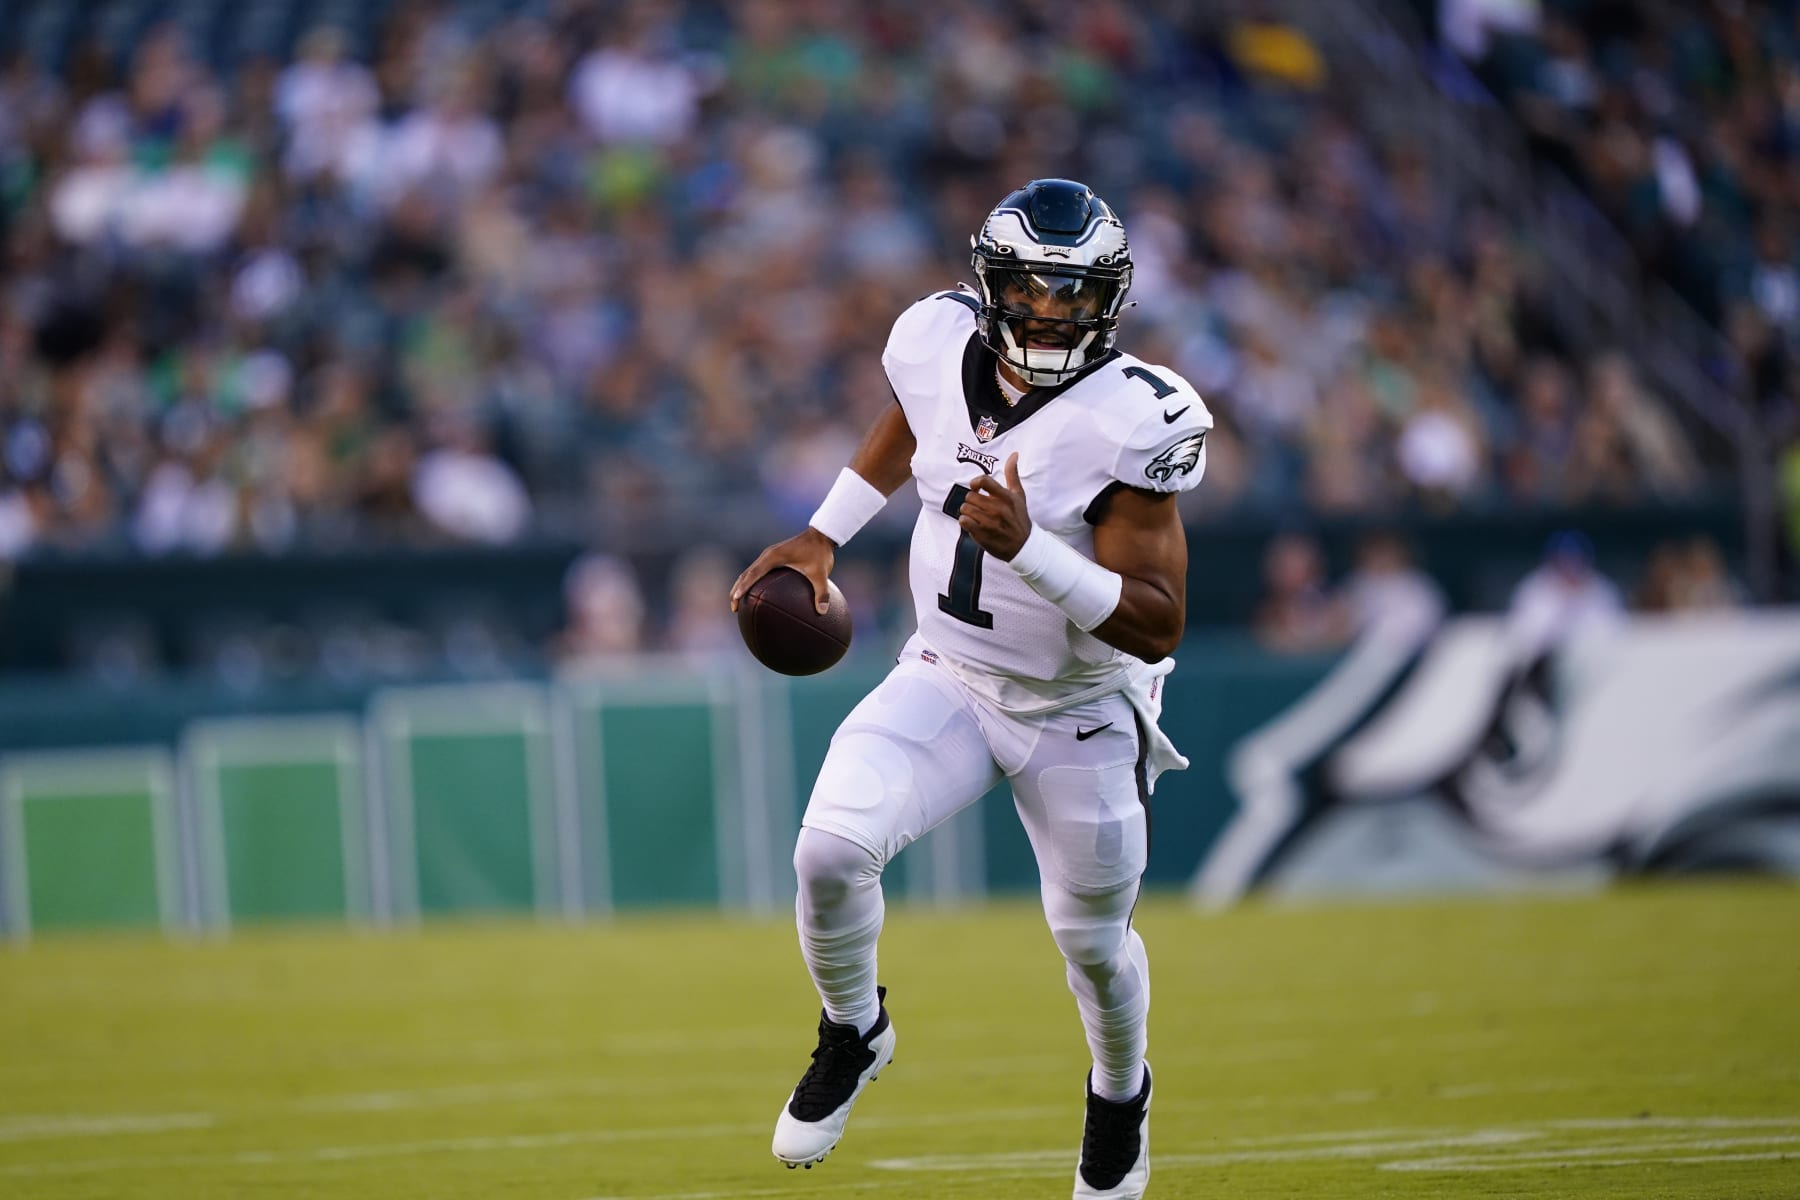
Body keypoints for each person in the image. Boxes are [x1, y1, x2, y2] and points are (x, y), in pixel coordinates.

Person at [730, 179, 1212, 1199]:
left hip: (1079, 708)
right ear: (990, 286)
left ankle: (1120, 1094)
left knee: (1090, 944)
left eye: (1073, 295)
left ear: (1111, 300)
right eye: (1031, 290)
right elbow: (914, 420)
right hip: (949, 671)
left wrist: (1032, 548)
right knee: (827, 850)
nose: (1048, 312)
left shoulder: (1134, 417)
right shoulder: (931, 340)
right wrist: (824, 532)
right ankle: (855, 1030)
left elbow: (1157, 617)